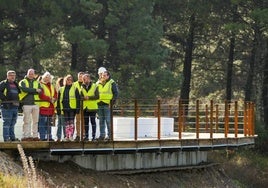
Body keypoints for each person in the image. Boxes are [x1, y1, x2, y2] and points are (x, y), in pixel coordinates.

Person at [19, 69, 42, 141]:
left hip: (35, 104)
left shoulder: (37, 82)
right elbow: (24, 89)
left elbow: (40, 90)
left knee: (35, 121)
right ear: (27, 74)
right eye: (30, 73)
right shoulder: (23, 81)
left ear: (34, 74)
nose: (31, 75)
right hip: (26, 103)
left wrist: (31, 90)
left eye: (32, 74)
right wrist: (35, 90)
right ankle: (26, 136)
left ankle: (35, 136)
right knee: (26, 121)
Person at [57, 74, 80, 141]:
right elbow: (58, 100)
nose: (69, 81)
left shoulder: (75, 88)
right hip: (64, 108)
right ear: (65, 80)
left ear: (72, 81)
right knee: (66, 123)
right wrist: (58, 109)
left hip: (72, 108)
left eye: (70, 80)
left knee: (71, 122)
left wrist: (78, 109)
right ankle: (67, 136)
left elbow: (78, 100)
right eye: (68, 80)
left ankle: (71, 136)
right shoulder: (61, 89)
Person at [97, 71, 118, 141]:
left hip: (107, 105)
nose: (103, 77)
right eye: (102, 75)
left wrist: (112, 103)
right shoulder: (98, 83)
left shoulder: (112, 82)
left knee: (108, 121)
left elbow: (116, 94)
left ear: (108, 76)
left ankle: (110, 136)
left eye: (105, 75)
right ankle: (102, 135)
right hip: (99, 104)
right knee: (101, 121)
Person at [0, 70, 21, 142]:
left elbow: (19, 94)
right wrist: (5, 99)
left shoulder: (16, 84)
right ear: (7, 76)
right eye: (11, 75)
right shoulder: (3, 83)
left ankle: (12, 138)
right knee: (7, 123)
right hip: (7, 106)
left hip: (15, 106)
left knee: (13, 123)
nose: (13, 77)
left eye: (14, 75)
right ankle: (6, 139)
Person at [38, 72, 57, 141]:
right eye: (46, 77)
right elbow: (41, 95)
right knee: (42, 123)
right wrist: (50, 99)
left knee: (49, 124)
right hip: (43, 107)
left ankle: (50, 137)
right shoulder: (40, 85)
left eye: (49, 77)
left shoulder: (52, 86)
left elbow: (55, 94)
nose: (47, 78)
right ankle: (42, 137)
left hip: (50, 108)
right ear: (43, 77)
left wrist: (54, 99)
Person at [80, 73, 99, 141]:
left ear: (89, 79)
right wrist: (83, 98)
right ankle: (86, 137)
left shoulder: (95, 86)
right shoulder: (81, 87)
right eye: (84, 79)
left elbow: (97, 96)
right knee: (86, 123)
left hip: (93, 107)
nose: (85, 80)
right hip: (85, 108)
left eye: (87, 78)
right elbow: (80, 97)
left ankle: (94, 137)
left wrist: (89, 97)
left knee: (93, 122)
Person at [73, 71, 84, 141]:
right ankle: (78, 135)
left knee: (84, 121)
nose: (80, 78)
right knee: (77, 121)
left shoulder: (86, 84)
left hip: (85, 106)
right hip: (77, 105)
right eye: (79, 76)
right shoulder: (74, 84)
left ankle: (83, 135)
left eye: (82, 76)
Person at [55, 77, 65, 141]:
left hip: (62, 109)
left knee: (60, 124)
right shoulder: (59, 90)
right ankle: (62, 137)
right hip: (60, 108)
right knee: (61, 123)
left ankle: (60, 137)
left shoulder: (60, 89)